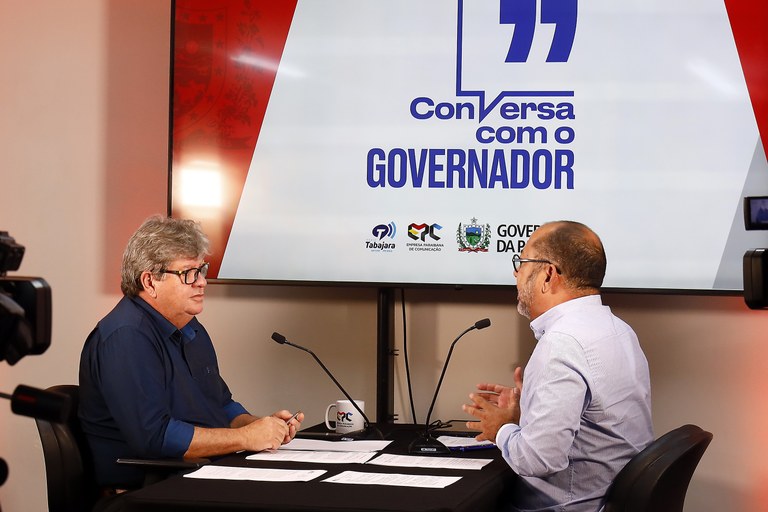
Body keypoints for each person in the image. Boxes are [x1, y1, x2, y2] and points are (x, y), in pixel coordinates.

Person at [79, 215, 304, 491]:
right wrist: (246, 438)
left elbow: (220, 405)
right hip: (146, 491)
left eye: (202, 270)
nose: (202, 283)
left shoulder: (190, 328)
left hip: (194, 476)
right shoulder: (127, 336)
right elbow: (156, 438)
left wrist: (264, 427)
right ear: (150, 282)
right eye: (188, 273)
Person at [463, 220, 653, 512]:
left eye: (522, 262)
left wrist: (501, 428)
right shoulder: (619, 329)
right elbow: (595, 421)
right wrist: (527, 411)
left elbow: (540, 460)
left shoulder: (562, 343)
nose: (516, 273)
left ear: (548, 274)